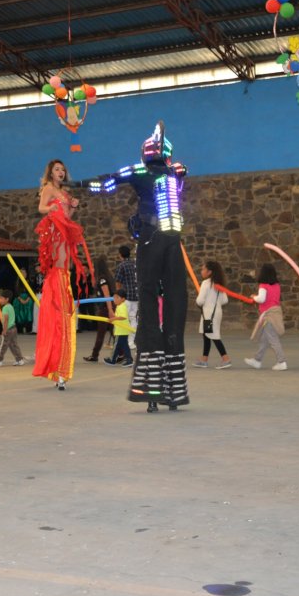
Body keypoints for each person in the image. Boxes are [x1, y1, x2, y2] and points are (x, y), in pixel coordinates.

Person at [80, 122, 189, 411]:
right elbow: (111, 181)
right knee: (166, 306)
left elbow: (110, 181)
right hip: (165, 241)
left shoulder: (151, 171)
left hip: (157, 241)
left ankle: (160, 390)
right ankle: (165, 390)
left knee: (159, 306)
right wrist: (85, 185)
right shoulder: (169, 172)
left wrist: (84, 185)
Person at [34, 158, 88, 390]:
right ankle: (58, 286)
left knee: (66, 263)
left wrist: (72, 206)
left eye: (63, 170)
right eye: (57, 169)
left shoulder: (64, 192)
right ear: (51, 172)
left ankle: (63, 284)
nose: (61, 172)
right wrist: (52, 208)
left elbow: (68, 217)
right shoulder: (48, 188)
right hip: (55, 232)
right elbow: (41, 208)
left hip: (64, 230)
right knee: (59, 263)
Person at [245, 263, 287, 371]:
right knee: (264, 339)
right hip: (275, 313)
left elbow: (261, 299)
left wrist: (254, 297)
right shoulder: (277, 285)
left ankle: (281, 361)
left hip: (269, 315)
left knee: (273, 339)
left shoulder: (263, 285)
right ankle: (257, 360)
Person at [194, 261, 231, 369]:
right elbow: (225, 300)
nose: (201, 271)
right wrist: (215, 302)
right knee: (207, 335)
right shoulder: (219, 283)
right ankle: (204, 359)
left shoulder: (206, 283)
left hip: (208, 314)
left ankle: (226, 359)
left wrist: (201, 301)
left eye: (203, 269)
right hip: (216, 312)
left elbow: (200, 301)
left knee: (214, 336)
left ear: (209, 272)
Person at [82, 257, 115, 363]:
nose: (92, 268)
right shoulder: (106, 277)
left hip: (106, 308)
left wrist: (110, 310)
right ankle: (122, 353)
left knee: (102, 332)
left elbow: (107, 295)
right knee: (113, 332)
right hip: (108, 307)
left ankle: (95, 355)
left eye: (93, 266)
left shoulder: (102, 279)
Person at [0, 289, 28, 366]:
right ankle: (20, 360)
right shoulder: (11, 306)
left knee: (3, 345)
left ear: (7, 299)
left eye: (1, 298)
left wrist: (4, 330)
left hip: (8, 329)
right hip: (14, 328)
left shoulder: (5, 308)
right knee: (14, 345)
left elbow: (6, 320)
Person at [114, 245, 139, 352]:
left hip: (126, 297)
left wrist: (118, 296)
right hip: (136, 296)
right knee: (133, 318)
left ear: (120, 254)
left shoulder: (121, 265)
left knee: (122, 318)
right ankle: (131, 342)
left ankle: (121, 342)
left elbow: (118, 282)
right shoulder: (135, 264)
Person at [104, 288, 133, 367]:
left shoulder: (122, 306)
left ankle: (112, 360)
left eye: (117, 297)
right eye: (114, 297)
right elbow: (119, 317)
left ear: (123, 299)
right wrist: (114, 319)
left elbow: (123, 317)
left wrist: (113, 319)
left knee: (116, 346)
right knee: (124, 346)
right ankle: (129, 360)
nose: (115, 299)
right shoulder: (119, 306)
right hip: (122, 331)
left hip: (121, 331)